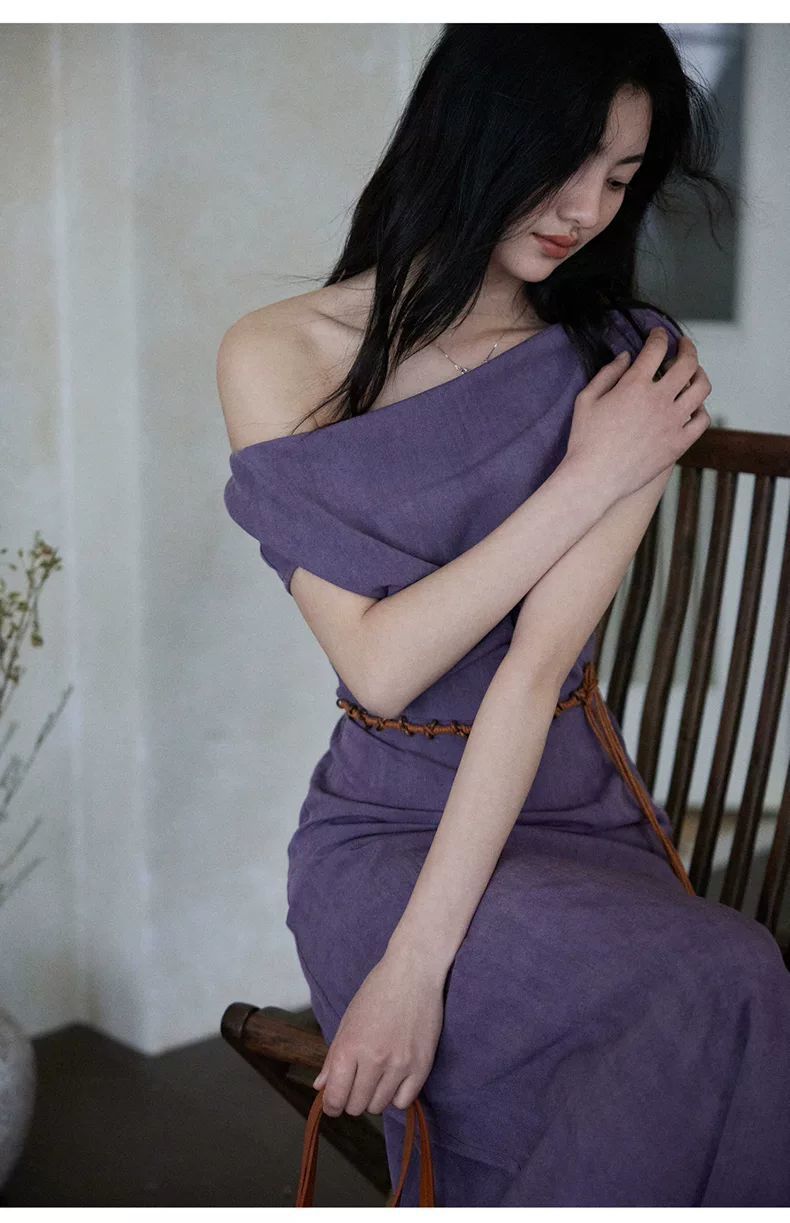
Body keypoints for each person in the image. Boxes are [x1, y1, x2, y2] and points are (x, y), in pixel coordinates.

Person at [219, 25, 790, 1207]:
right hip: (386, 826)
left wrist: (422, 966)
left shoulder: (628, 362)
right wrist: (586, 478)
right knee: (715, 979)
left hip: (567, 806)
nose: (588, 209)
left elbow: (533, 671)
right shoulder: (280, 351)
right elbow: (381, 666)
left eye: (621, 177)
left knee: (722, 976)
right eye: (567, 161)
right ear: (473, 132)